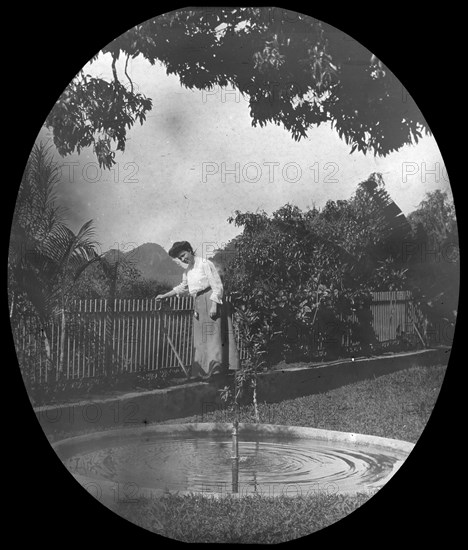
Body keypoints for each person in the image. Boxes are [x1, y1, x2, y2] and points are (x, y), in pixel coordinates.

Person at [155, 241, 240, 380]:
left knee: (213, 337)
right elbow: (183, 287)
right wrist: (164, 295)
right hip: (199, 304)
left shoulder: (205, 263)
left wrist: (214, 305)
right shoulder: (187, 271)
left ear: (189, 250)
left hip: (211, 299)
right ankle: (203, 372)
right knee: (201, 339)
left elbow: (217, 284)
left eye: (183, 255)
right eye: (180, 258)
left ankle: (217, 372)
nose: (183, 259)